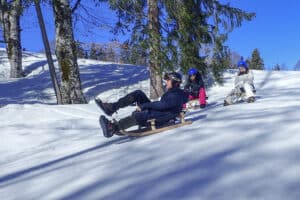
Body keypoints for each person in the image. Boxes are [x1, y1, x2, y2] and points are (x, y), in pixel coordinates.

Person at [95, 72, 189, 138]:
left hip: (161, 118)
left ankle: (113, 128)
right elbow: (162, 105)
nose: (166, 82)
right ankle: (111, 108)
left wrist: (144, 106)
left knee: (140, 115)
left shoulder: (177, 94)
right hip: (160, 113)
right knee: (138, 94)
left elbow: (162, 105)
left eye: (168, 80)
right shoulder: (174, 92)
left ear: (175, 82)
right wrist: (146, 106)